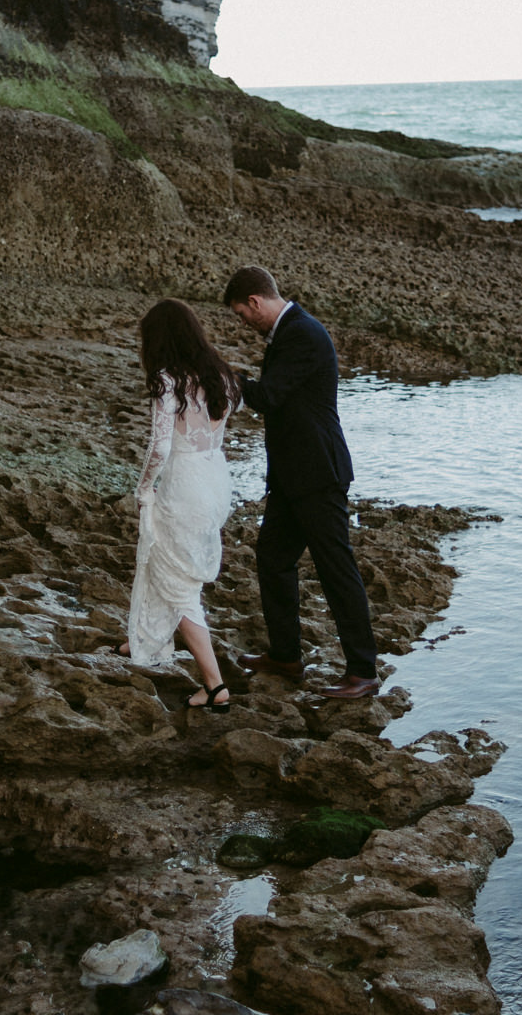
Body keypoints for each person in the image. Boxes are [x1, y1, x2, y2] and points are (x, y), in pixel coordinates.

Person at [222, 266, 380, 699]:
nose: (243, 323)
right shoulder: (289, 332)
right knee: (273, 558)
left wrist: (226, 379)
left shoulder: (302, 333)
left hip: (318, 475)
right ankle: (287, 657)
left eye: (241, 314)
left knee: (336, 569)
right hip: (292, 476)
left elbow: (269, 396)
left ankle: (363, 671)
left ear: (255, 302)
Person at [122, 299, 240, 711]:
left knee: (176, 578)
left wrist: (143, 488)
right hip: (215, 479)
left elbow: (160, 445)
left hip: (183, 483)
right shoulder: (222, 375)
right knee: (171, 565)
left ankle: (214, 685)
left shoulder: (169, 380)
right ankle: (145, 635)